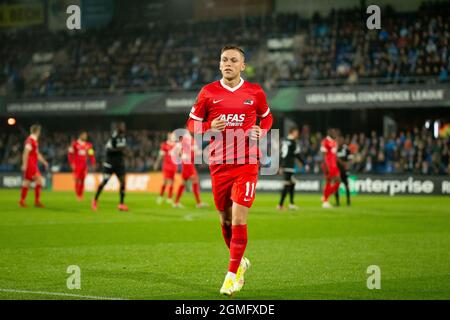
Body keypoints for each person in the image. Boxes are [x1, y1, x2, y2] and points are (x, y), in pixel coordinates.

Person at [186, 45, 273, 296]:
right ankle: (241, 263)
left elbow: (266, 117)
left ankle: (230, 276)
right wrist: (209, 126)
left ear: (242, 66)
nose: (228, 63)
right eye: (224, 60)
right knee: (224, 220)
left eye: (234, 60)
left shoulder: (254, 92)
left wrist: (262, 130)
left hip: (247, 162)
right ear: (219, 64)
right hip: (219, 165)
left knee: (238, 219)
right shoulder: (208, 93)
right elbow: (191, 125)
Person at [92, 122, 128, 211]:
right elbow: (108, 149)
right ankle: (95, 200)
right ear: (118, 128)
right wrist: (120, 149)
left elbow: (123, 149)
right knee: (104, 182)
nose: (124, 128)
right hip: (110, 164)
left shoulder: (123, 137)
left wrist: (123, 152)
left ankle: (121, 204)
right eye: (122, 126)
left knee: (123, 182)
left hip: (119, 165)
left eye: (124, 126)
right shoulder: (113, 138)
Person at [172, 132, 208, 209]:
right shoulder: (190, 139)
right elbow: (193, 151)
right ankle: (199, 203)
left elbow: (179, 150)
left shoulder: (185, 139)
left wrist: (182, 155)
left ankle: (176, 202)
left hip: (186, 163)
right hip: (188, 164)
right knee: (195, 180)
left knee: (183, 182)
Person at [19, 124, 48, 208]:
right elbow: (25, 153)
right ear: (37, 131)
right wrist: (24, 164)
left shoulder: (34, 141)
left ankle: (22, 201)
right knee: (39, 181)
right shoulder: (30, 140)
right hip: (30, 164)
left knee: (27, 182)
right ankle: (37, 201)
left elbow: (37, 154)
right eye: (39, 131)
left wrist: (44, 161)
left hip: (32, 163)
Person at [278, 127, 304, 210]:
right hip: (289, 166)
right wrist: (304, 163)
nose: (297, 134)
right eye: (296, 132)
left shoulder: (284, 141)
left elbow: (281, 154)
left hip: (284, 165)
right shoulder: (293, 142)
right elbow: (297, 154)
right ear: (292, 132)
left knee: (292, 183)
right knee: (287, 185)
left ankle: (291, 203)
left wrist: (280, 165)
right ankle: (280, 205)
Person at [68, 131, 96, 201]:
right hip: (77, 165)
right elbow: (70, 154)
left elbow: (91, 154)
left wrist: (93, 162)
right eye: (84, 135)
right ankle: (78, 194)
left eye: (86, 135)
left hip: (84, 165)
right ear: (80, 136)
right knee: (77, 180)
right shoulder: (74, 144)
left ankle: (81, 195)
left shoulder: (88, 145)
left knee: (83, 180)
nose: (85, 137)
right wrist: (71, 163)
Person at [154, 132, 177, 205]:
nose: (172, 137)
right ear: (168, 137)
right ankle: (161, 197)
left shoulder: (176, 145)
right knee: (165, 181)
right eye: (170, 135)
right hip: (167, 165)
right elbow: (161, 155)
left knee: (172, 182)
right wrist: (157, 163)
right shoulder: (164, 145)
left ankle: (169, 198)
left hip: (174, 166)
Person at [320, 128, 341, 208]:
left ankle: (325, 196)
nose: (335, 134)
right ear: (329, 133)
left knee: (338, 181)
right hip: (328, 165)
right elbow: (324, 155)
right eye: (333, 132)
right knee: (329, 181)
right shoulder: (325, 141)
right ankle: (325, 201)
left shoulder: (335, 142)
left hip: (334, 165)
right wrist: (326, 166)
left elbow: (334, 155)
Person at [335, 133, 352, 206]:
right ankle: (337, 203)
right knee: (336, 187)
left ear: (343, 140)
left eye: (341, 140)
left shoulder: (346, 148)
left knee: (346, 185)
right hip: (337, 170)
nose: (340, 141)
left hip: (344, 170)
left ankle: (348, 202)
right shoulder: (335, 148)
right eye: (338, 140)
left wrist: (348, 166)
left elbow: (350, 159)